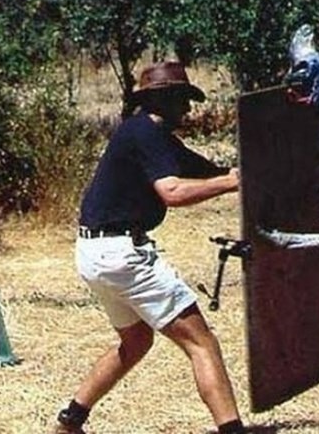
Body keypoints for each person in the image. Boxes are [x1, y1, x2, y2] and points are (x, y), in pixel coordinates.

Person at [54, 61, 245, 434]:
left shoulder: (147, 135)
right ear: (163, 99)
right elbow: (172, 191)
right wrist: (231, 183)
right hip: (122, 255)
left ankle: (70, 422)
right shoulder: (146, 133)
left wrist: (238, 173)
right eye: (181, 99)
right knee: (202, 343)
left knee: (135, 342)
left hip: (94, 253)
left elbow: (206, 170)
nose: (187, 108)